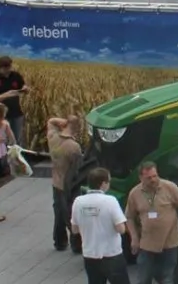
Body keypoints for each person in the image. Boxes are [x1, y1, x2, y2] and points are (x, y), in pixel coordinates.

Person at [125, 161, 178, 284]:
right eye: (149, 177)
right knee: (143, 279)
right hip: (147, 245)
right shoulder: (134, 194)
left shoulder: (169, 187)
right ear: (141, 178)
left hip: (169, 244)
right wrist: (134, 238)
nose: (153, 180)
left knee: (166, 278)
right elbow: (129, 217)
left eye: (155, 176)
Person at [72, 167, 130, 284]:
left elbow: (75, 230)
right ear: (103, 184)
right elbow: (121, 229)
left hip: (90, 254)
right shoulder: (110, 201)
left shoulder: (78, 201)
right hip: (111, 254)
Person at [49, 115, 85, 253]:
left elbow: (51, 121)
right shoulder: (74, 146)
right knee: (70, 214)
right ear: (76, 128)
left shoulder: (52, 137)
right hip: (67, 184)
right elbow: (77, 168)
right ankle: (76, 244)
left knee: (58, 212)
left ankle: (59, 241)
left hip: (55, 181)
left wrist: (62, 122)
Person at [0, 56, 28, 149]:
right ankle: (4, 160)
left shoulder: (16, 76)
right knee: (4, 139)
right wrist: (7, 94)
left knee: (18, 138)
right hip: (2, 115)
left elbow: (23, 87)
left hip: (17, 112)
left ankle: (18, 158)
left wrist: (25, 89)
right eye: (5, 68)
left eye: (9, 67)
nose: (7, 70)